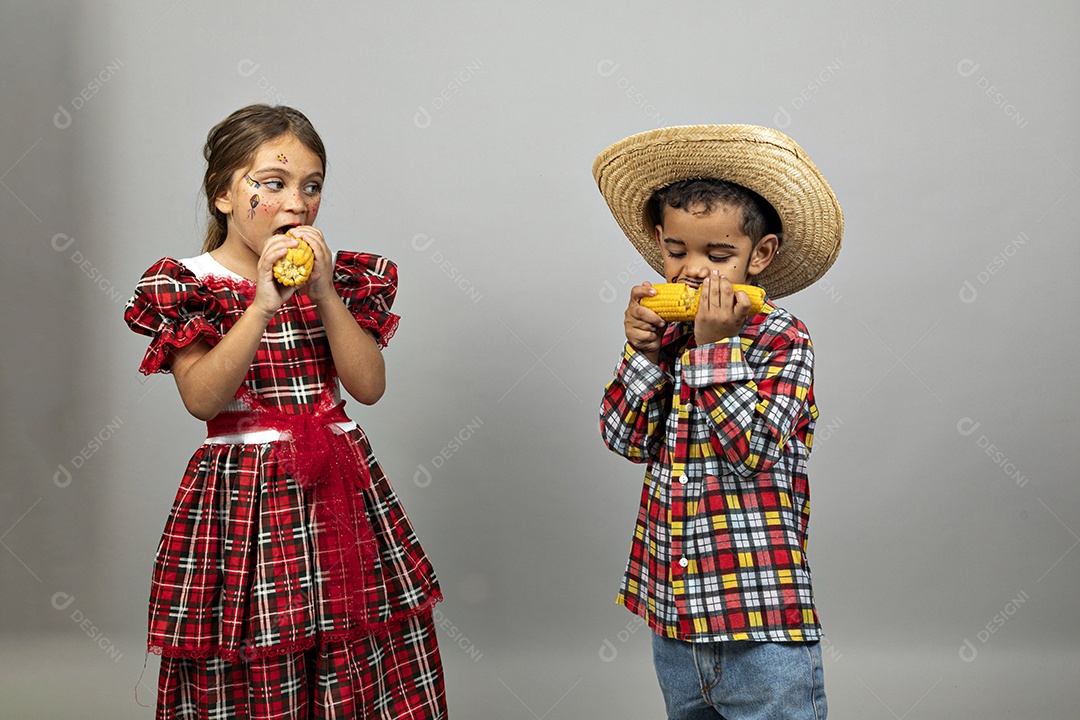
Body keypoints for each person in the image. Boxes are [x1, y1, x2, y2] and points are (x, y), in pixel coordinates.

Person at [124, 104, 446, 719]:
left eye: (312, 185)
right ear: (223, 194)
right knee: (255, 643)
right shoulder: (186, 282)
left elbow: (368, 385)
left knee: (355, 643)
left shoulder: (342, 279)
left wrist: (322, 292)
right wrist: (263, 304)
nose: (296, 204)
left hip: (338, 486)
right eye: (271, 184)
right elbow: (202, 400)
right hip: (243, 494)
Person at [593, 125, 843, 719]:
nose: (693, 272)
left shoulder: (783, 339)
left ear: (762, 255)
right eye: (678, 251)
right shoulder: (669, 335)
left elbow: (754, 450)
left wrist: (712, 352)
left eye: (718, 255)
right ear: (659, 242)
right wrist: (645, 356)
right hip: (675, 614)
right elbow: (623, 438)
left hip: (757, 616)